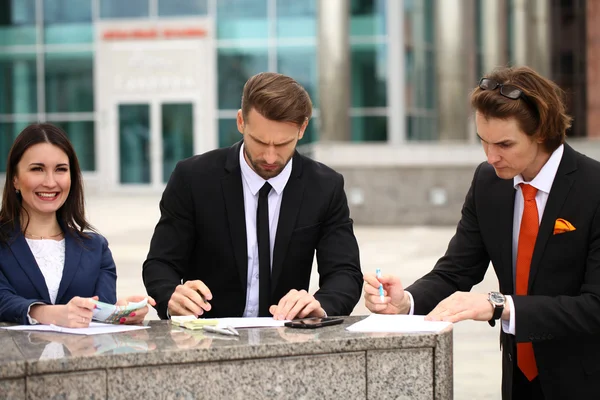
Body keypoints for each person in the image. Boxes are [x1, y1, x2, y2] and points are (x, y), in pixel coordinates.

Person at [364, 66, 600, 399]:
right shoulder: (489, 183)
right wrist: (405, 302)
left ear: (542, 133)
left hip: (587, 381)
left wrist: (498, 306)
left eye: (504, 144)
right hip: (518, 379)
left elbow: (595, 306)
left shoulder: (594, 188)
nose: (491, 157)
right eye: (483, 142)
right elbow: (455, 271)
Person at [143, 72, 362, 321]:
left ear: (302, 129)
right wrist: (172, 296)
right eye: (259, 142)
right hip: (207, 336)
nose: (270, 157)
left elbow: (345, 272)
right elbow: (160, 263)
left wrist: (320, 305)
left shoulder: (325, 187)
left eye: (282, 144)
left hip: (286, 338)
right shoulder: (193, 178)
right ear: (240, 122)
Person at [0, 123, 155, 327]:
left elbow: (97, 315)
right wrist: (49, 313)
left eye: (61, 170)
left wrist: (118, 312)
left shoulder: (96, 249)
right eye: (37, 169)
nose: (50, 182)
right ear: (15, 180)